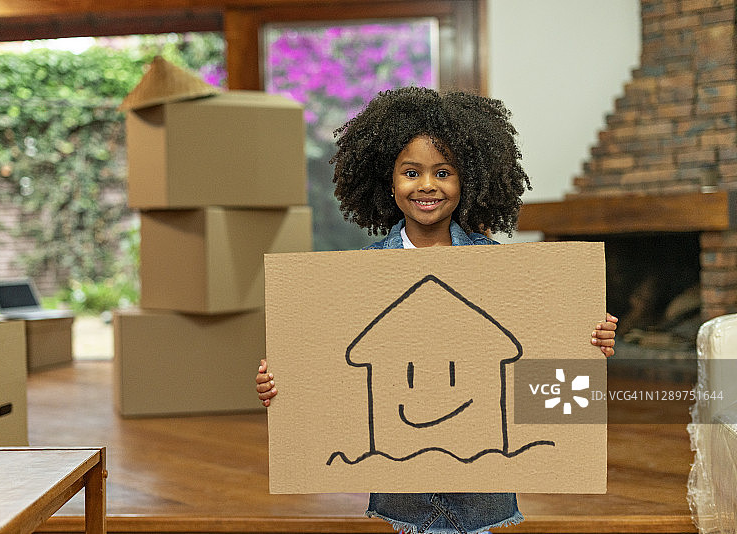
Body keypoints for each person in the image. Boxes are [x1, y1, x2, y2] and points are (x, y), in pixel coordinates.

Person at [256, 86, 617, 534]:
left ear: (467, 181)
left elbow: (538, 370)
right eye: (411, 172)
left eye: (443, 172)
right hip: (402, 502)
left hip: (483, 501)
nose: (427, 185)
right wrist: (284, 385)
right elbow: (329, 373)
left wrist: (585, 345)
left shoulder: (503, 270)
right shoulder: (360, 277)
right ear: (387, 181)